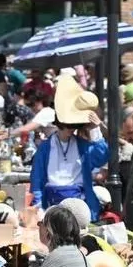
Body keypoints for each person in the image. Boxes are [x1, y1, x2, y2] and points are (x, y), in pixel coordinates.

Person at [30, 77, 110, 219]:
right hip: (52, 203)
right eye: (69, 125)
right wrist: (38, 206)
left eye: (76, 125)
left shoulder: (82, 145)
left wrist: (95, 129)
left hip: (80, 201)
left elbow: (101, 157)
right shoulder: (45, 148)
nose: (72, 129)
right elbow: (37, 181)